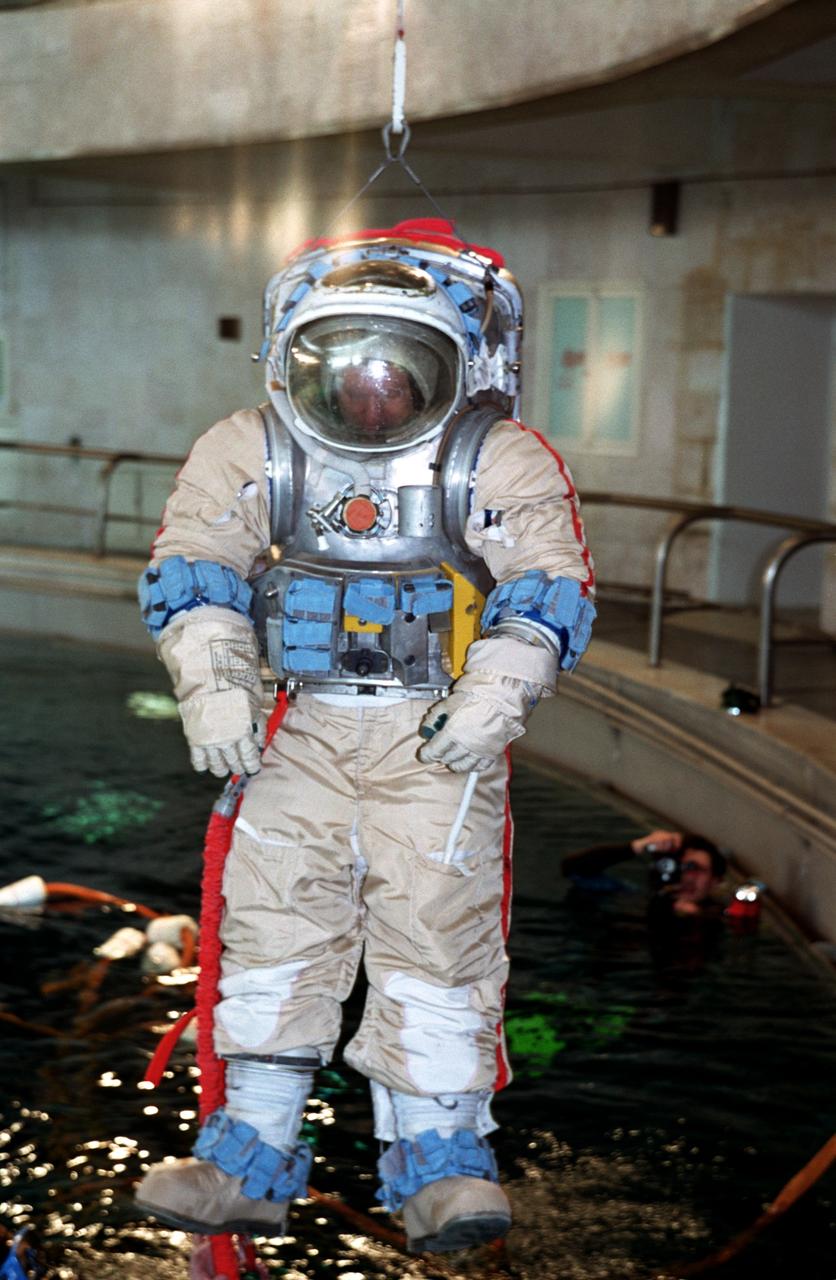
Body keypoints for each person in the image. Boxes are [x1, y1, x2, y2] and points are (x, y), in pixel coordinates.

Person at [133, 217, 596, 1253]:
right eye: (352, 369)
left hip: (433, 734)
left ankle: (436, 1158)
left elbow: (546, 580)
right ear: (301, 357)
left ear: (448, 364)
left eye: (398, 372)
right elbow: (194, 559)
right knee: (268, 927)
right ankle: (246, 1153)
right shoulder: (249, 446)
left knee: (436, 929)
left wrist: (497, 695)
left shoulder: (494, 456)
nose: (373, 396)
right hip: (298, 726)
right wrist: (212, 681)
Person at [562, 829, 729, 972]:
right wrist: (639, 845)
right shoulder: (631, 897)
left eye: (694, 869)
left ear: (716, 880)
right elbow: (573, 869)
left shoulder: (721, 918)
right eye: (676, 867)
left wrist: (693, 919)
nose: (685, 877)